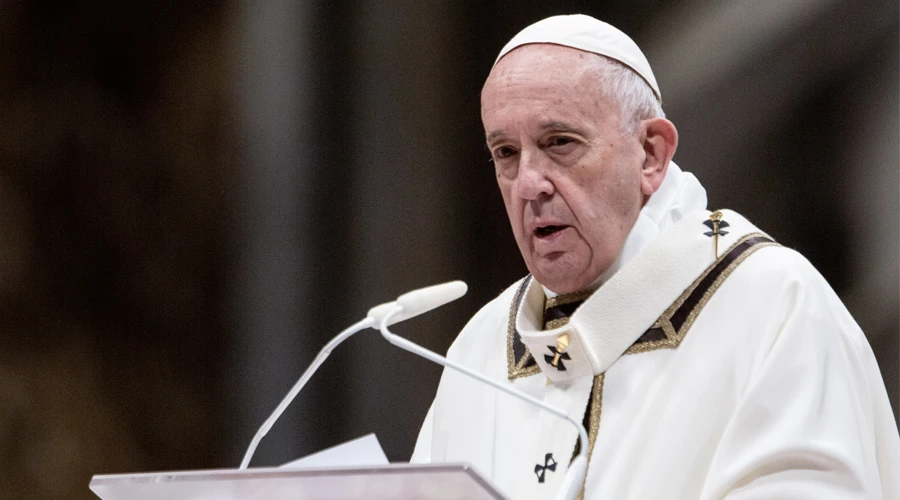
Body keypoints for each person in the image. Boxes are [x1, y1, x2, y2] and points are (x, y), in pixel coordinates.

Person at [410, 14, 900, 500]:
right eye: (506, 153)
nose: (529, 184)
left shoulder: (772, 303)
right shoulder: (482, 347)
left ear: (650, 153)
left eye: (559, 143)